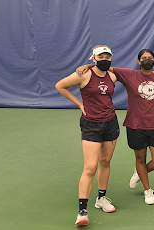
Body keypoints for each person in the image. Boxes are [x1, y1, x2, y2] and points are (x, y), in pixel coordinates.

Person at [77, 49, 154, 205]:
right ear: (139, 62)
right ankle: (148, 191)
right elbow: (104, 67)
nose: (147, 60)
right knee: (140, 159)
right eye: (144, 58)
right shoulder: (129, 74)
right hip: (135, 125)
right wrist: (87, 65)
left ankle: (140, 173)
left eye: (150, 58)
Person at [56, 45, 119, 226]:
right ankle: (82, 212)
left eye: (107, 56)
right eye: (101, 56)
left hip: (110, 123)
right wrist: (79, 104)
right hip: (91, 125)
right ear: (94, 58)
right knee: (90, 167)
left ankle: (101, 199)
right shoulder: (84, 75)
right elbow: (60, 86)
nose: (104, 59)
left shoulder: (113, 75)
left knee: (105, 162)